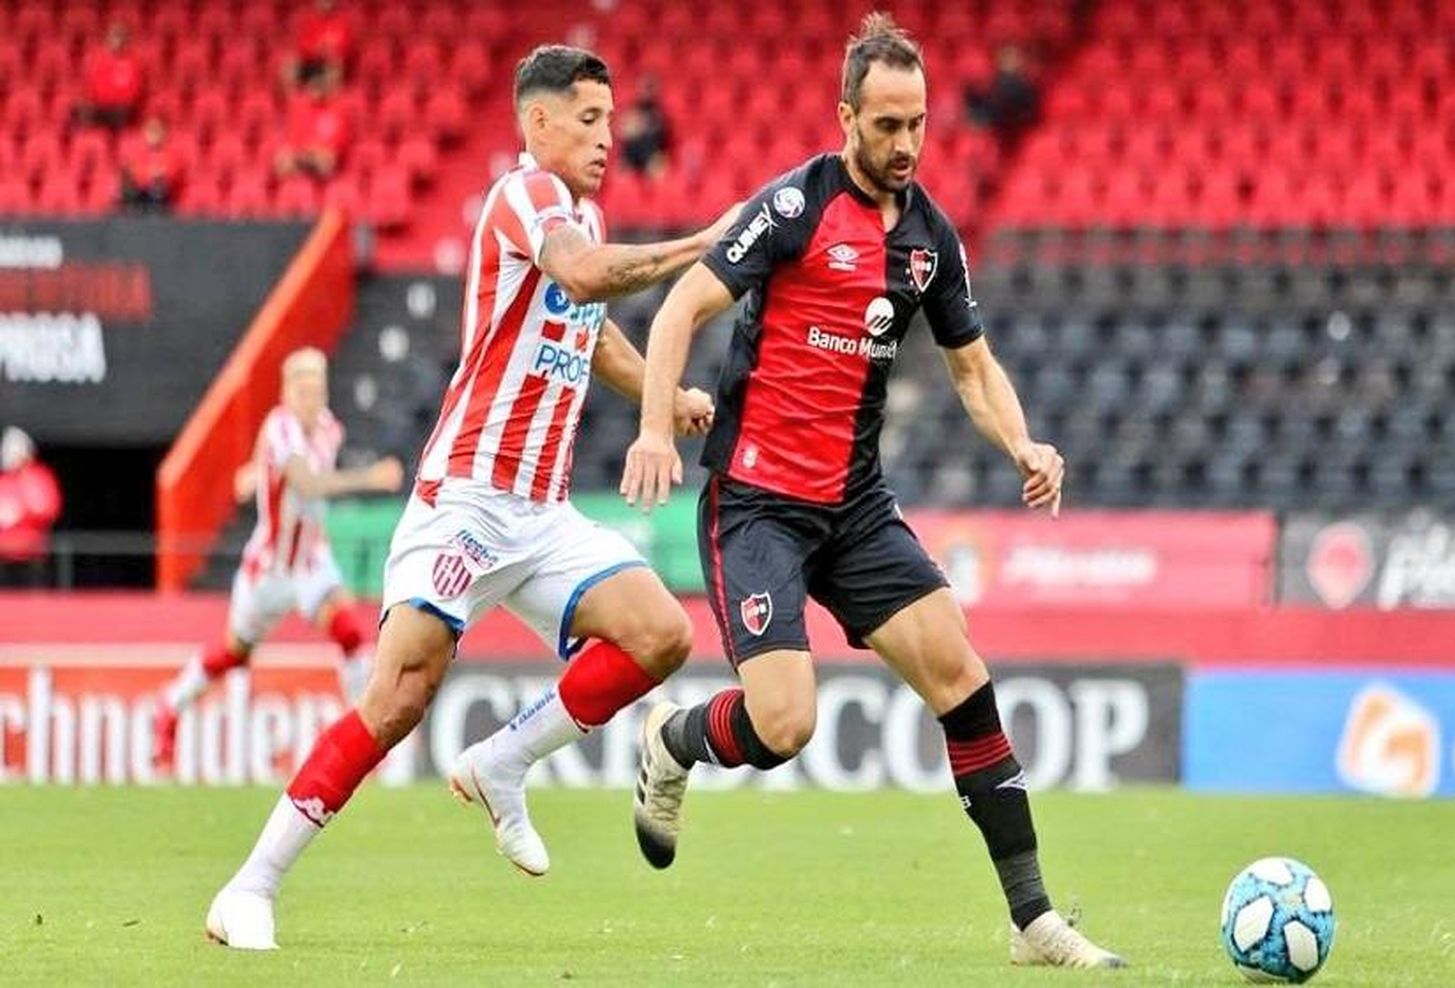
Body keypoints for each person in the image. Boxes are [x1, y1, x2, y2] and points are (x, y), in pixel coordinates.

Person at [204, 45, 737, 950]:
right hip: (468, 498)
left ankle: (502, 761)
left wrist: (662, 394)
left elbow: (590, 325)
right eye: (589, 119)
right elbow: (582, 276)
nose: (609, 136)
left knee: (662, 635)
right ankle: (248, 889)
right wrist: (700, 246)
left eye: (610, 119)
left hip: (541, 510)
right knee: (401, 695)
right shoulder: (524, 196)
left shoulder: (581, 213)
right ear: (539, 124)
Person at [620, 14, 1123, 971]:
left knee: (964, 680)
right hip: (757, 501)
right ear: (846, 114)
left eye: (918, 125)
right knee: (786, 725)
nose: (904, 145)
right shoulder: (795, 207)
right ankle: (677, 738)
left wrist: (1024, 442)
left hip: (854, 508)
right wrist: (652, 426)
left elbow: (973, 370)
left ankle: (1033, 922)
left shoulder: (932, 239)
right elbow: (685, 302)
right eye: (886, 125)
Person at [152, 349, 404, 768]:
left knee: (349, 633)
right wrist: (370, 478)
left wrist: (254, 473)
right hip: (270, 567)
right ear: (287, 394)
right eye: (303, 391)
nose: (311, 399)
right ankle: (171, 704)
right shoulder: (280, 427)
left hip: (312, 561)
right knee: (235, 652)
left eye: (317, 390)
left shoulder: (329, 428)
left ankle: (366, 738)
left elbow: (296, 472)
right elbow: (307, 484)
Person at [0, 427, 62, 588]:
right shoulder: (3, 481)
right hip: (3, 554)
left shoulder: (39, 478)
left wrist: (21, 514)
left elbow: (49, 508)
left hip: (32, 553)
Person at [276, 74, 351, 181]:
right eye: (312, 87)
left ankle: (305, 177)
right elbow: (294, 135)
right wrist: (302, 149)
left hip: (321, 154)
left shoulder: (335, 111)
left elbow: (338, 143)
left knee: (325, 161)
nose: (315, 91)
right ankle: (297, 182)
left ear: (326, 90)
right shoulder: (300, 108)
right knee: (282, 159)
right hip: (302, 152)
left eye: (319, 88)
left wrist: (316, 149)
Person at [78, 22, 145, 131]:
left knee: (122, 113)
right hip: (100, 105)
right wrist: (91, 101)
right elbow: (91, 86)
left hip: (120, 107)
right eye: (113, 37)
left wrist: (117, 101)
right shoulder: (98, 61)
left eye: (119, 38)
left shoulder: (133, 63)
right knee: (81, 110)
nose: (115, 42)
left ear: (125, 41)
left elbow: (134, 90)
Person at [119, 117, 185, 212]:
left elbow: (170, 176)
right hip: (139, 194)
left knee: (157, 189)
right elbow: (132, 171)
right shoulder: (137, 152)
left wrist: (145, 174)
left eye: (156, 130)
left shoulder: (172, 154)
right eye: (150, 130)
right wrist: (150, 173)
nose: (153, 134)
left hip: (162, 200)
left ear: (164, 133)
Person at [287, 0, 353, 87]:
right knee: (289, 67)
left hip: (329, 64)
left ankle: (322, 93)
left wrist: (327, 50)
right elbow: (302, 45)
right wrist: (318, 49)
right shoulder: (308, 21)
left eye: (327, 1)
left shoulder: (342, 23)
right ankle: (293, 98)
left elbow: (345, 49)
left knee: (335, 67)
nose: (323, 4)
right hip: (311, 61)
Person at [620, 76, 671, 177]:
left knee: (658, 169)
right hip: (632, 153)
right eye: (643, 88)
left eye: (649, 88)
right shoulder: (634, 108)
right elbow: (624, 131)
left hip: (652, 154)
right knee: (622, 175)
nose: (645, 92)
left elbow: (661, 136)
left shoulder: (659, 112)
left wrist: (640, 126)